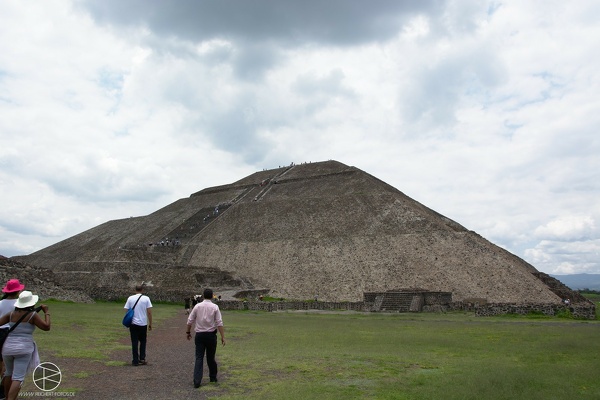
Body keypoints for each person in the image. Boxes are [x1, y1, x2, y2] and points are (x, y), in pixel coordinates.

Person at [0, 291, 50, 400]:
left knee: (8, 373)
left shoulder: (11, 314)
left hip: (8, 347)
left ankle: (6, 396)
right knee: (18, 377)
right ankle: (11, 398)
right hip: (23, 348)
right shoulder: (33, 315)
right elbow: (46, 327)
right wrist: (46, 312)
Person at [186, 288, 225, 388]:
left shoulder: (197, 306)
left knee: (199, 357)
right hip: (211, 335)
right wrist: (222, 336)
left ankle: (197, 381)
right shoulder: (215, 307)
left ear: (203, 296)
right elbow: (219, 322)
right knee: (211, 357)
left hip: (200, 335)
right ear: (212, 296)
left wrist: (188, 332)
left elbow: (190, 320)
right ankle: (212, 377)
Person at [0, 279, 25, 395]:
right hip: (10, 333)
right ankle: (6, 392)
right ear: (18, 291)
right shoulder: (19, 304)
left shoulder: (0, 303)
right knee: (9, 368)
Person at [123, 284, 152, 366]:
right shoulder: (146, 298)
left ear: (135, 290)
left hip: (133, 323)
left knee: (134, 342)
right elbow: (149, 312)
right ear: (142, 290)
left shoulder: (130, 298)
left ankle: (135, 360)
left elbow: (126, 310)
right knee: (143, 341)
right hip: (143, 323)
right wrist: (150, 323)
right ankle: (142, 358)